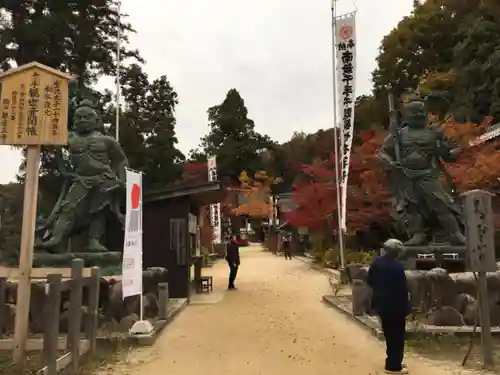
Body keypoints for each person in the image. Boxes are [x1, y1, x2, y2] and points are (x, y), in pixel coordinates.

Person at [367, 239, 411, 374]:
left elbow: (369, 280)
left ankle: (393, 360)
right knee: (397, 335)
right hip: (396, 306)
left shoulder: (377, 262)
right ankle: (393, 366)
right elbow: (402, 289)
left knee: (389, 334)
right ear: (396, 252)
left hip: (381, 303)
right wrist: (408, 307)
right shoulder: (397, 267)